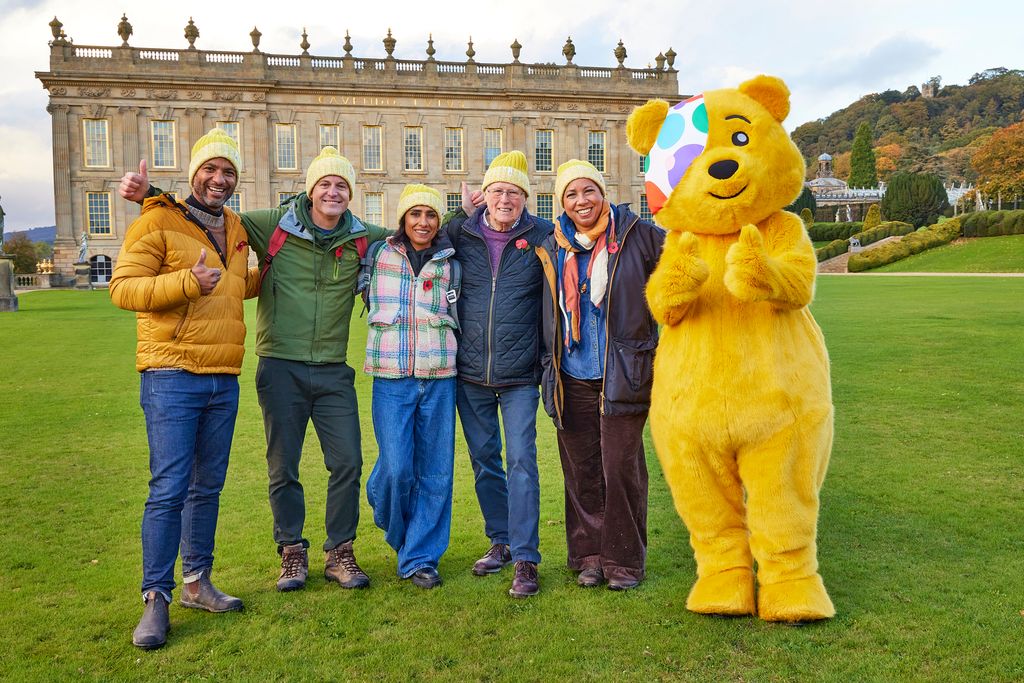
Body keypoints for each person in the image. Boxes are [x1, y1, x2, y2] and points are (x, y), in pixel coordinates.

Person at [119, 146, 390, 593]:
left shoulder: (364, 236)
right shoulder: (268, 225)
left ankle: (340, 551)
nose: (333, 191)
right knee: (282, 466)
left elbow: (415, 230)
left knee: (348, 463)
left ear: (351, 194)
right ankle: (292, 552)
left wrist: (467, 216)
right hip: (279, 365)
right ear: (310, 189)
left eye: (341, 185)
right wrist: (151, 194)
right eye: (324, 183)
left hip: (333, 369)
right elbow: (201, 211)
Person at [110, 128, 260, 650]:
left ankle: (196, 582)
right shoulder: (157, 219)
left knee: (207, 487)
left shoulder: (237, 227)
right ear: (194, 172)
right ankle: (156, 596)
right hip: (171, 372)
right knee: (169, 487)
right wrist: (186, 283)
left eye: (228, 172)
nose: (219, 179)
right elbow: (123, 288)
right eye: (210, 169)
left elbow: (238, 282)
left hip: (223, 375)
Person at [537, 159, 664, 590]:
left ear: (603, 193)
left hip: (622, 374)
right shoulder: (554, 245)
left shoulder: (639, 236)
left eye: (588, 190)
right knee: (582, 470)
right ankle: (589, 555)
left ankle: (625, 560)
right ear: (562, 203)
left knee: (621, 467)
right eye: (571, 194)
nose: (581, 201)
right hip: (570, 376)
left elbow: (687, 264)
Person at [443, 151, 552, 598]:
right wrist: (461, 210)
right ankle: (501, 541)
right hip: (470, 374)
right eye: (497, 190)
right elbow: (421, 229)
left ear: (525, 197)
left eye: (513, 191)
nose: (505, 199)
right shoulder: (460, 233)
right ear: (483, 195)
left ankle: (526, 558)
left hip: (521, 374)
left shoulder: (544, 234)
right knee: (485, 461)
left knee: (522, 462)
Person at [363, 184, 457, 590]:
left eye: (431, 215)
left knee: (436, 473)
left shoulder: (452, 260)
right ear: (403, 218)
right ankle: (390, 516)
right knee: (397, 469)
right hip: (390, 376)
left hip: (439, 375)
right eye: (416, 214)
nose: (423, 222)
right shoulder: (377, 253)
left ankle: (419, 557)